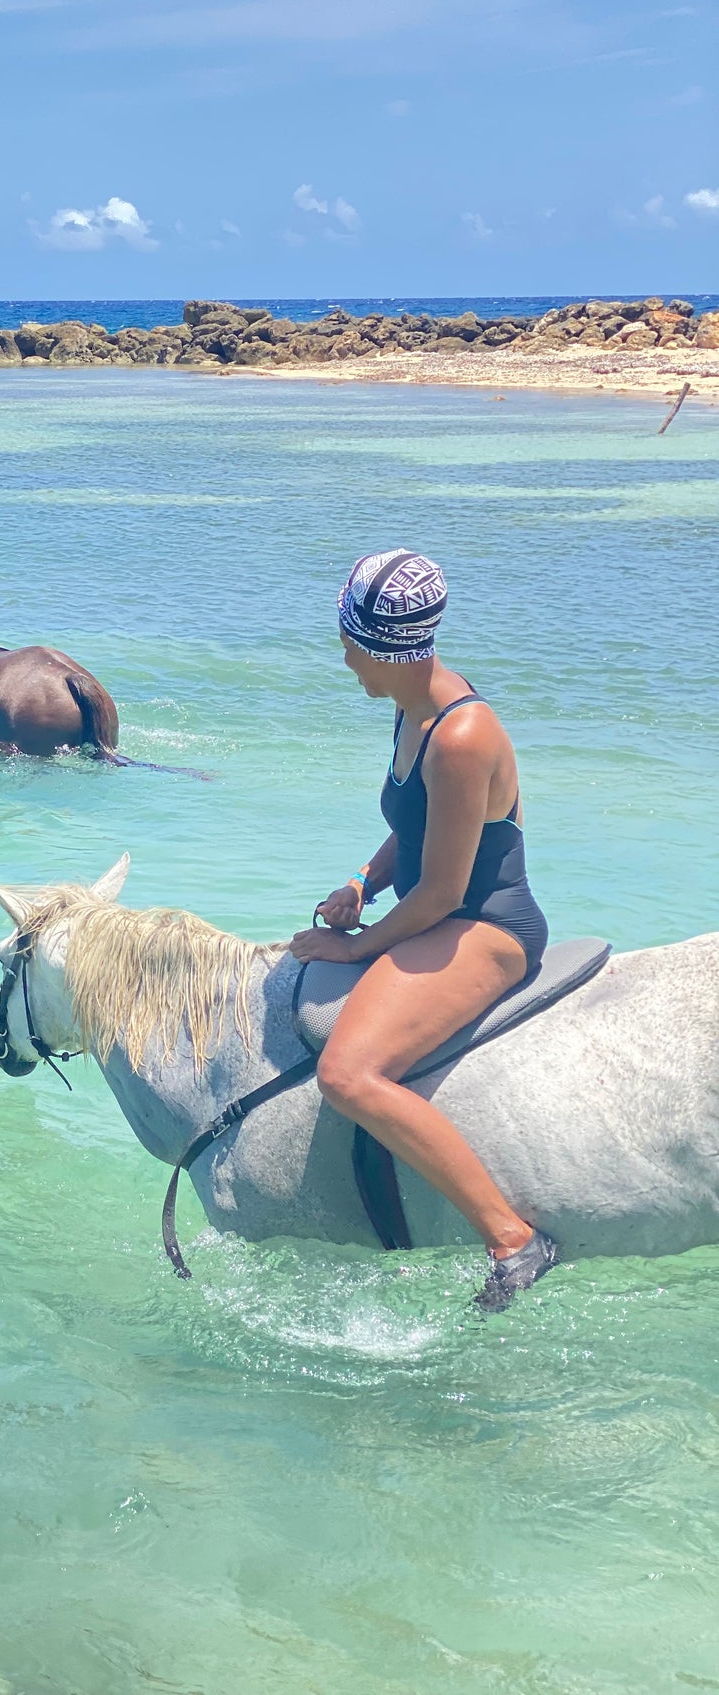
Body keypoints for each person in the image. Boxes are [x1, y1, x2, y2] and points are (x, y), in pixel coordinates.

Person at [288, 549, 558, 1312]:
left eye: (349, 644)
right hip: (435, 909)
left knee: (347, 1073)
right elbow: (416, 826)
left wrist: (354, 945)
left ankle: (512, 1238)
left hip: (484, 924)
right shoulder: (413, 705)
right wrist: (359, 885)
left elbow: (441, 891)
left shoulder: (461, 733)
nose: (342, 659)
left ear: (382, 647)